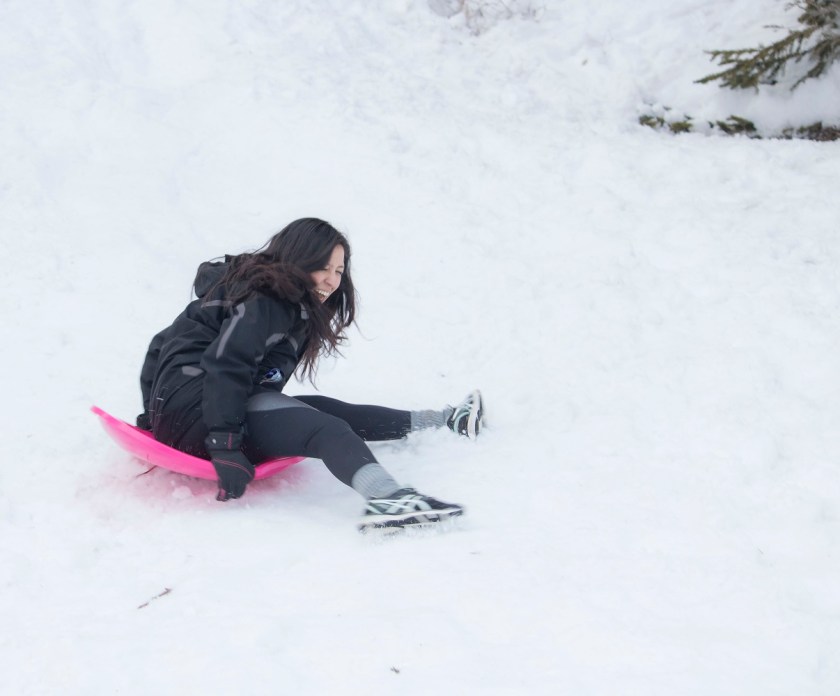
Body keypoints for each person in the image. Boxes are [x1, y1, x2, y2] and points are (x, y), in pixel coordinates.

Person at [136, 217, 484, 531]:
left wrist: (153, 418)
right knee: (325, 428)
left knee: (324, 409)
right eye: (323, 268)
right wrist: (224, 443)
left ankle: (444, 420)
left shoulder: (249, 293)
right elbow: (228, 362)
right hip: (204, 418)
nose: (332, 281)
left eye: (339, 271)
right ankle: (389, 500)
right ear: (298, 259)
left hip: (195, 413)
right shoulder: (268, 301)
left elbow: (160, 345)